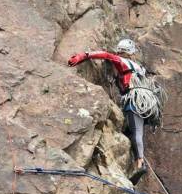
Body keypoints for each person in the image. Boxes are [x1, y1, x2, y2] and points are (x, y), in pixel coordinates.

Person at [68, 39, 162, 184]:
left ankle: (140, 164)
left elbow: (106, 55)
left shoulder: (122, 61)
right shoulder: (140, 68)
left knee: (136, 132)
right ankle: (135, 163)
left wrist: (84, 55)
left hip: (134, 100)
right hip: (147, 103)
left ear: (121, 52)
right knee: (132, 133)